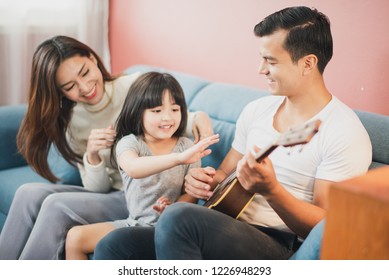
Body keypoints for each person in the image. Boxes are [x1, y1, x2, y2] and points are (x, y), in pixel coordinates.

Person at [93, 6, 372, 260]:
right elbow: (225, 176)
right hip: (223, 220)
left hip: (278, 244)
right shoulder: (257, 110)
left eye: (270, 61)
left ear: (308, 64)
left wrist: (272, 191)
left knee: (180, 218)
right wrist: (202, 181)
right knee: (115, 243)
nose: (260, 69)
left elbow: (324, 227)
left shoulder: (343, 132)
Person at [0, 36, 214, 260]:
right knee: (28, 193)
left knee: (56, 205)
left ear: (93, 59)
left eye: (84, 72)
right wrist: (92, 156)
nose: (85, 87)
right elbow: (98, 189)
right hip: (111, 193)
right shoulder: (72, 122)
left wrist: (201, 118)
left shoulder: (134, 86)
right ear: (60, 92)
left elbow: (177, 120)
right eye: (70, 86)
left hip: (138, 195)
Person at [65, 72, 219, 259]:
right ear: (138, 112)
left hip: (171, 229)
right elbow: (133, 167)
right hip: (134, 224)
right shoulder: (129, 143)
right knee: (75, 237)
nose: (167, 118)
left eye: (175, 109)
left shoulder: (186, 146)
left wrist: (173, 209)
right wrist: (178, 158)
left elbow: (191, 195)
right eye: (157, 111)